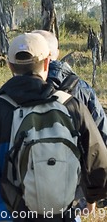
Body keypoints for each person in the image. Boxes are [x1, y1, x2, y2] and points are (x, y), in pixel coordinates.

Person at [0, 32, 107, 221]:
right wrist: (92, 195)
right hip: (62, 214)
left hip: (4, 213)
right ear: (47, 63)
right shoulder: (71, 105)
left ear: (10, 66)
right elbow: (97, 156)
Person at [32, 29, 107, 211]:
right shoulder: (81, 88)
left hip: (25, 184)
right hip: (72, 186)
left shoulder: (15, 90)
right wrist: (93, 194)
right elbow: (99, 142)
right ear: (55, 53)